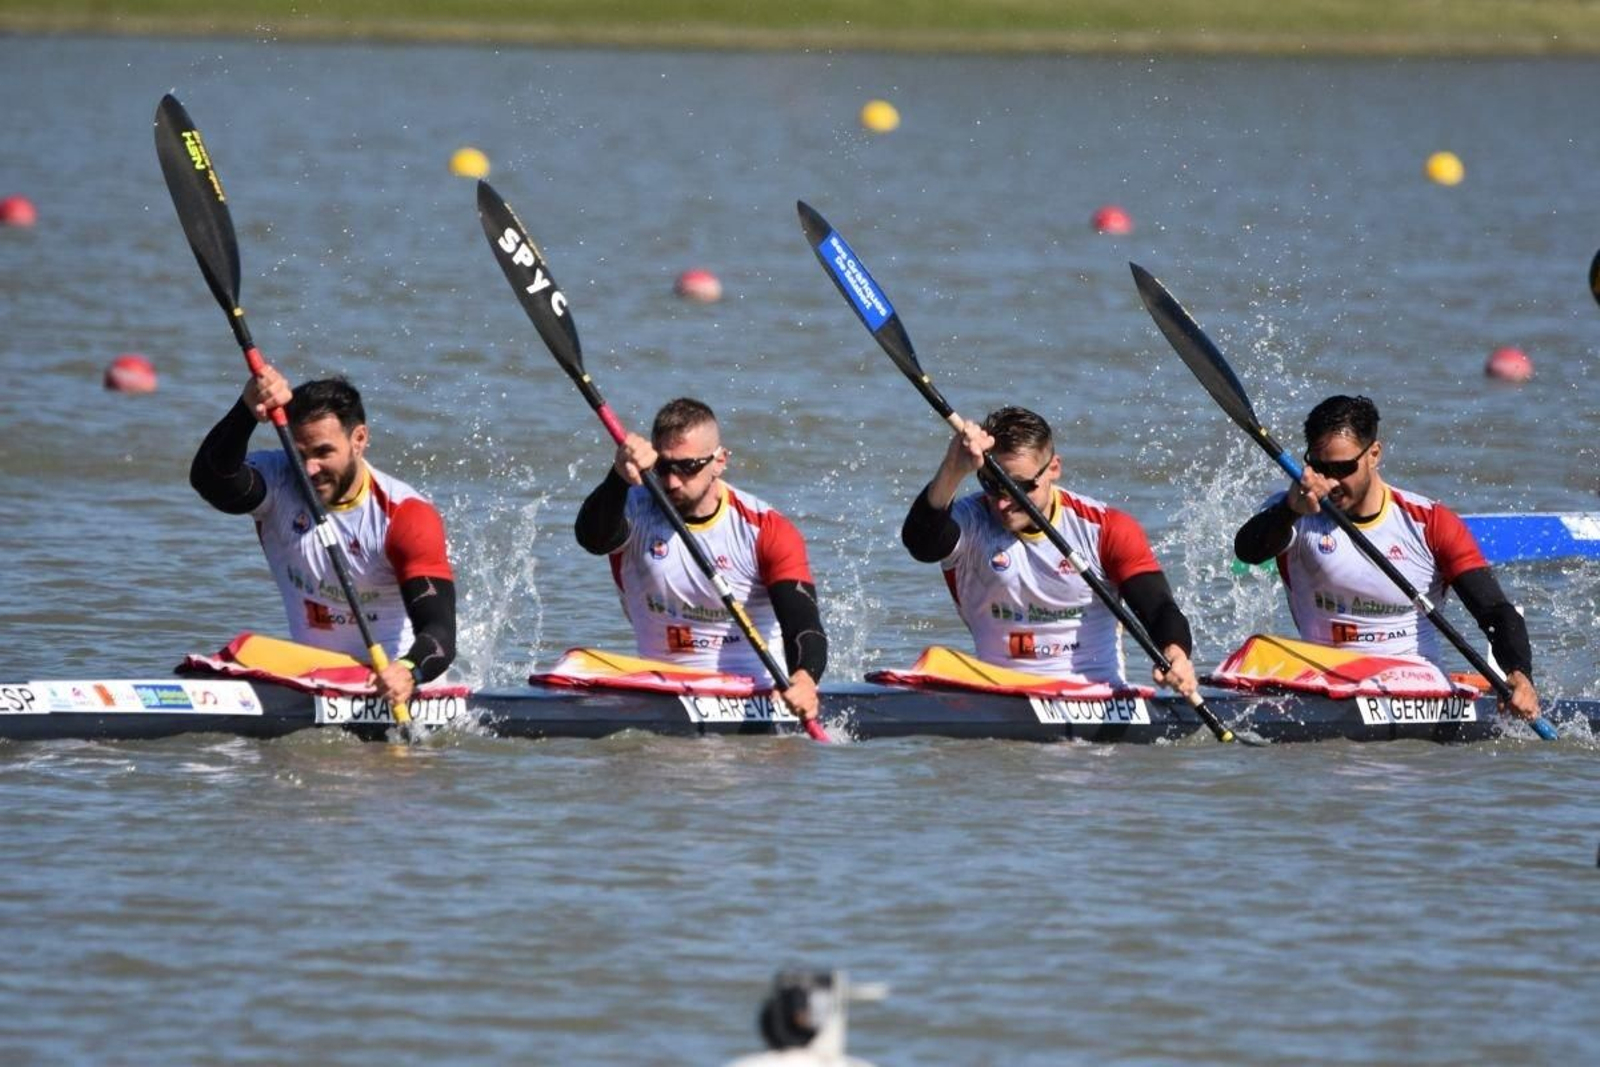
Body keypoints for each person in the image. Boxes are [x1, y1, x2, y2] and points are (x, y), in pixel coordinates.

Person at [1233, 394, 1540, 719]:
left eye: (1343, 468)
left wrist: (1520, 675)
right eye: (1320, 468)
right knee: (1259, 650)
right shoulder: (1292, 510)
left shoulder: (1430, 523)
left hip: (1414, 684)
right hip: (1322, 681)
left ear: (1374, 454)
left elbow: (1495, 611)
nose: (1331, 482)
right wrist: (1288, 511)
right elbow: (1249, 550)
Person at [189, 366, 457, 707]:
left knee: (241, 652)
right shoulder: (278, 479)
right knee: (217, 665)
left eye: (323, 452)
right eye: (299, 455)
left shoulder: (404, 515)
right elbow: (210, 480)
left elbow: (440, 634)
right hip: (311, 678)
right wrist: (246, 410)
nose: (309, 469)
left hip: (391, 689)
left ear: (359, 439)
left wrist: (408, 671)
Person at [900, 406, 1199, 696]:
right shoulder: (970, 521)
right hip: (997, 694)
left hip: (1096, 696)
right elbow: (921, 544)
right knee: (936, 658)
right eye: (992, 485)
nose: (1003, 502)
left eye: (1020, 487)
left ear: (1053, 468)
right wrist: (952, 470)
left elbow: (1159, 608)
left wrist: (1175, 652)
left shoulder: (1105, 529)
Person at [574, 398, 827, 723]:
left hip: (755, 694)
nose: (672, 482)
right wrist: (618, 475)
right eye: (663, 467)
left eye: (688, 467)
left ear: (720, 461)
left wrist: (805, 681)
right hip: (657, 687)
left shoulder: (765, 530)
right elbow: (592, 539)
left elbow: (805, 626)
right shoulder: (633, 508)